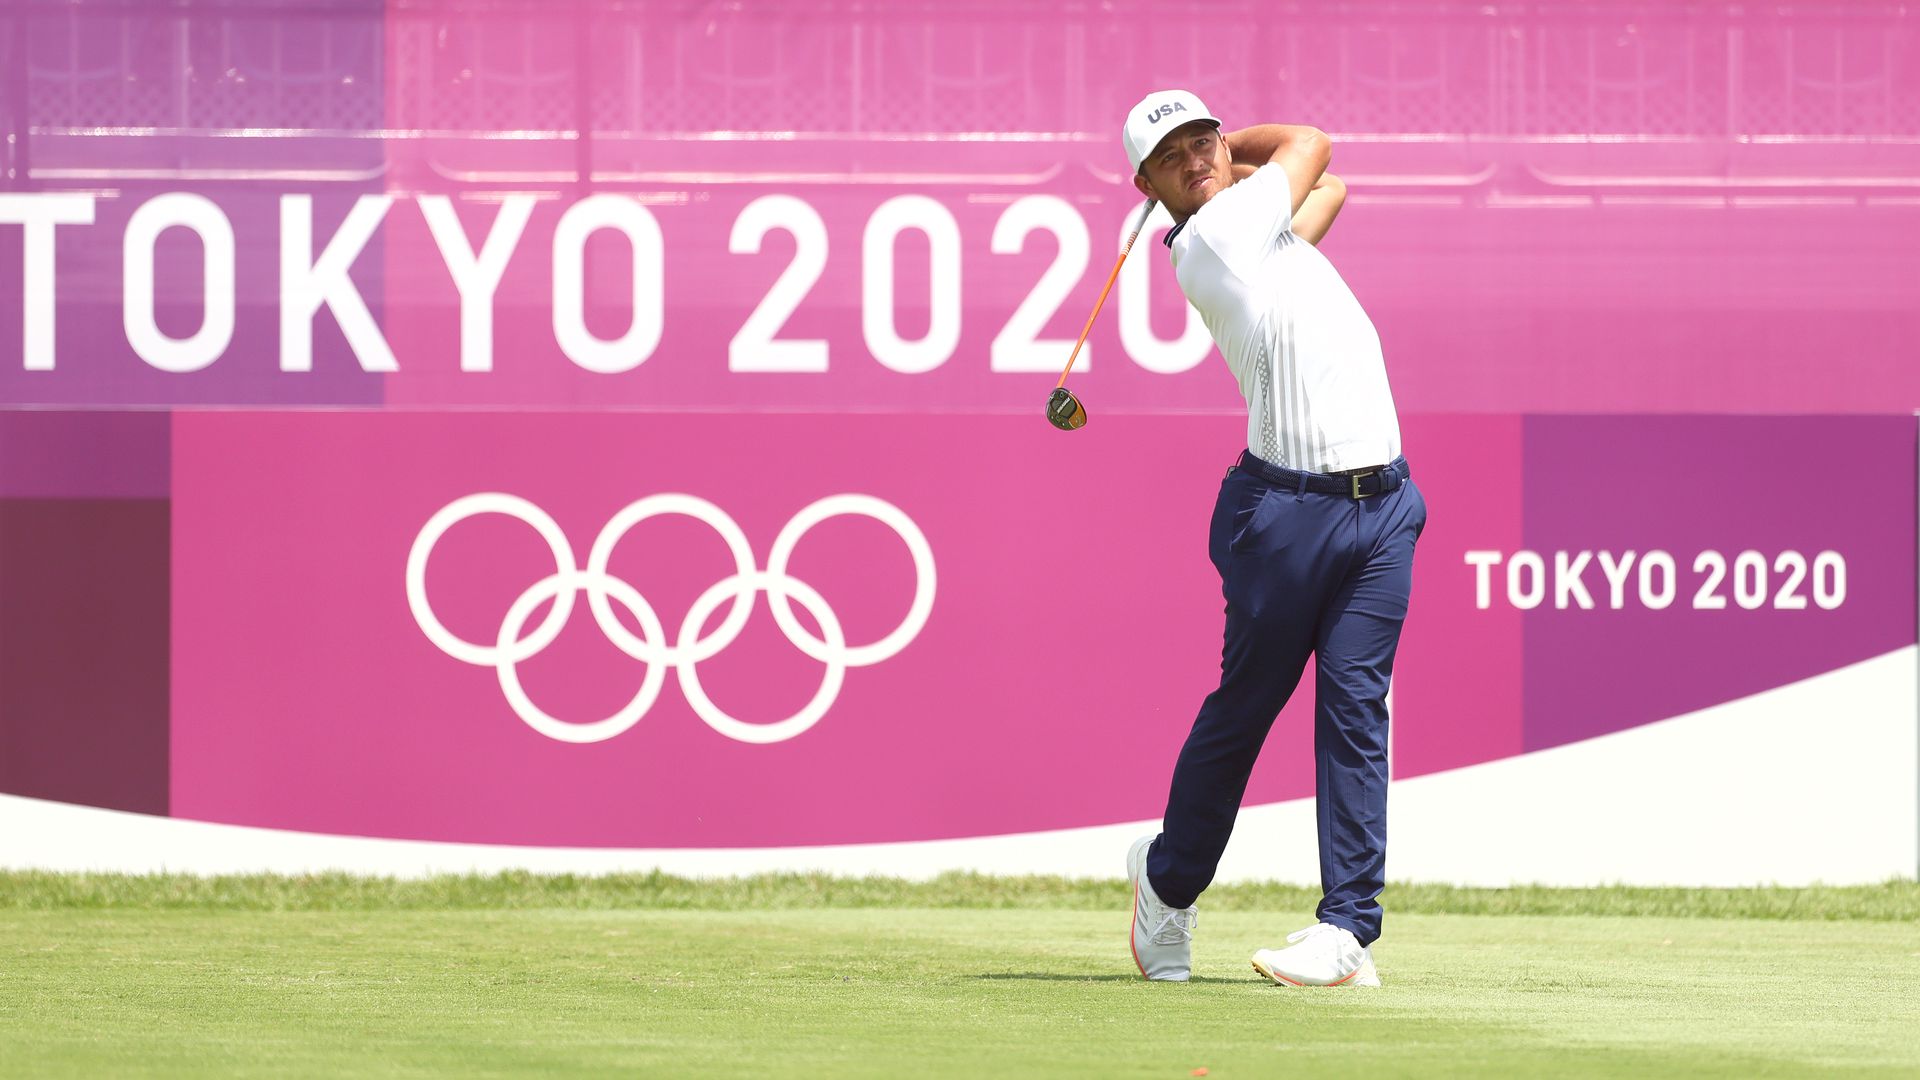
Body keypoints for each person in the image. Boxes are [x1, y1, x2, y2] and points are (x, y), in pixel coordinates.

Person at [1119, 89, 1426, 987]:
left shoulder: (1262, 234)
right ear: (1146, 186)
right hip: (1282, 517)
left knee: (1356, 711)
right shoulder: (1215, 240)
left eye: (1203, 138)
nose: (1198, 157)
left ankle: (1347, 931)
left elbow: (1330, 188)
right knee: (1248, 710)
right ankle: (1167, 883)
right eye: (1171, 156)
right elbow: (1313, 143)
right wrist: (1236, 151)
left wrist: (1218, 156)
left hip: (1384, 507)